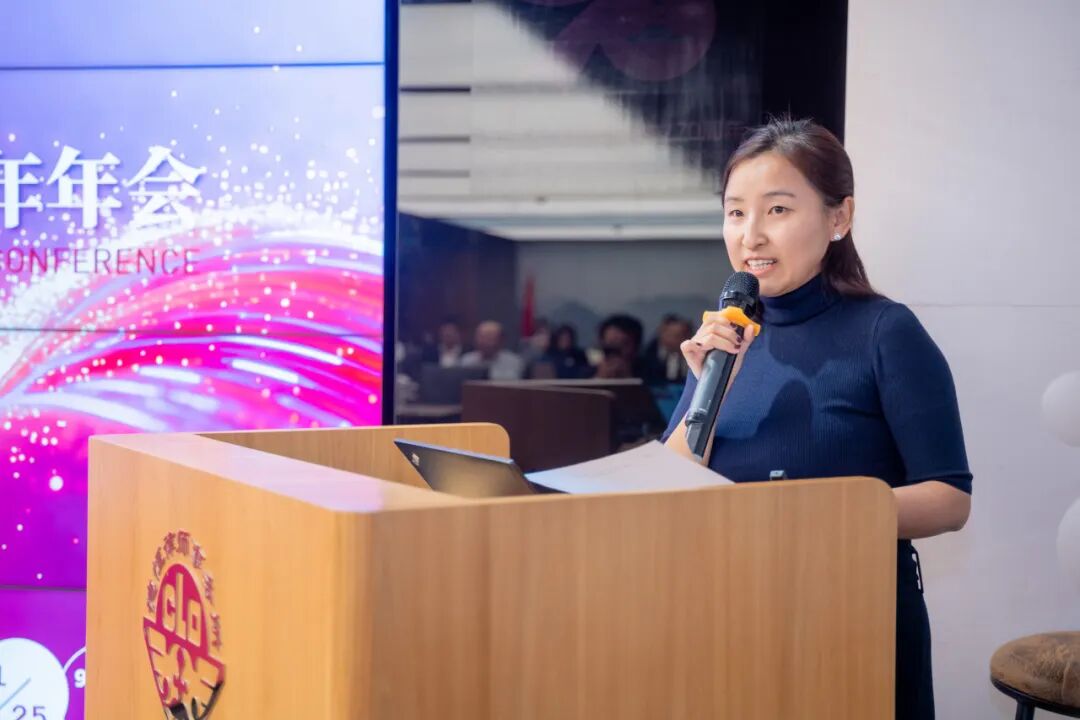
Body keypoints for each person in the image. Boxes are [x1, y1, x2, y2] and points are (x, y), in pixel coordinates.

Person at [662, 118, 971, 720]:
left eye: (777, 210)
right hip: (725, 611)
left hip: (849, 616)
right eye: (735, 212)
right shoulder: (725, 338)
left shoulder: (885, 331)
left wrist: (812, 516)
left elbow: (949, 499)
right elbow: (668, 489)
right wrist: (709, 392)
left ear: (839, 217)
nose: (751, 235)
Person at [461, 320, 525, 380]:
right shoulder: (466, 361)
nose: (484, 342)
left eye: (489, 338)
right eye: (481, 337)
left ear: (501, 340)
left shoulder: (514, 363)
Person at [641, 314, 693, 385]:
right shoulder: (648, 356)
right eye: (672, 335)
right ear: (661, 333)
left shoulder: (692, 354)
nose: (676, 340)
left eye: (683, 335)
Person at [593, 314, 644, 379]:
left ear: (636, 347)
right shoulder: (587, 368)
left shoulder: (649, 371)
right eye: (611, 343)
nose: (616, 350)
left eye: (624, 344)